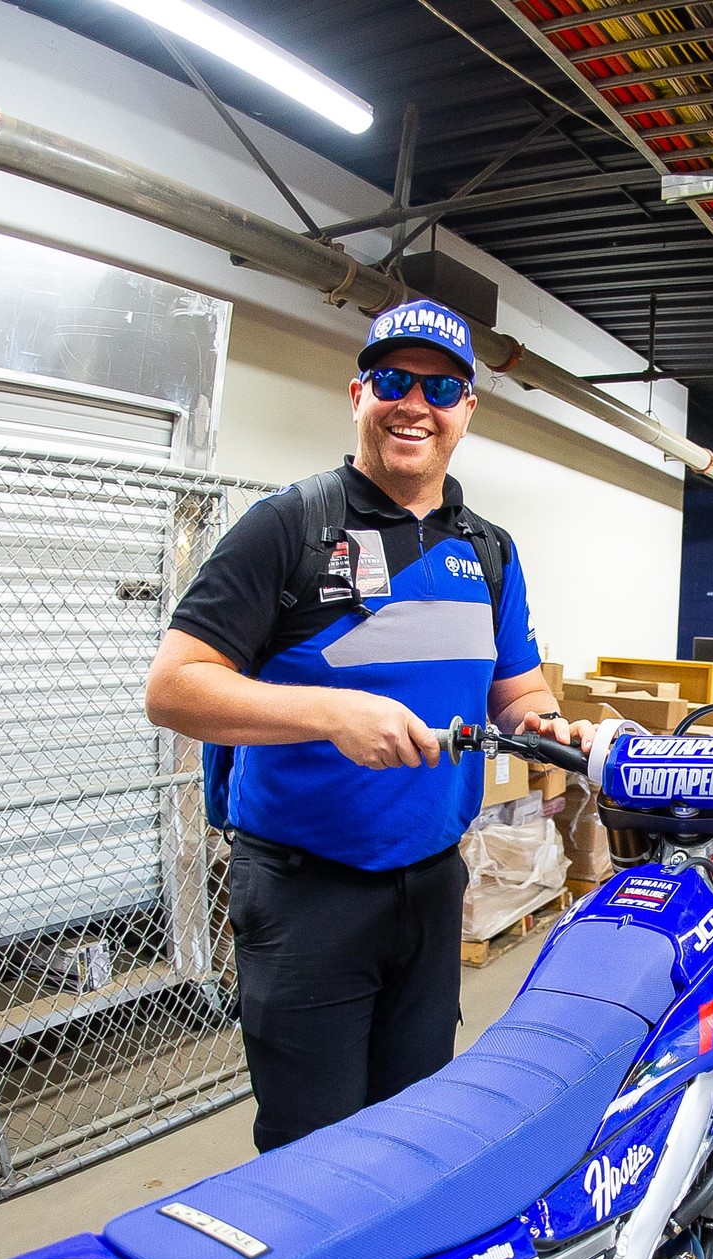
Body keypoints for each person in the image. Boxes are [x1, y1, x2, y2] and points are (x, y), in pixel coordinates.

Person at [145, 298, 590, 1152]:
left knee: (412, 1138)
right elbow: (174, 688)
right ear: (358, 394)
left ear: (466, 409)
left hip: (430, 888)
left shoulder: (489, 551)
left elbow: (518, 692)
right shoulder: (291, 526)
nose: (413, 403)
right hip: (308, 893)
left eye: (440, 386)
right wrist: (330, 713)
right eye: (393, 380)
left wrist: (555, 728)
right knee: (313, 1155)